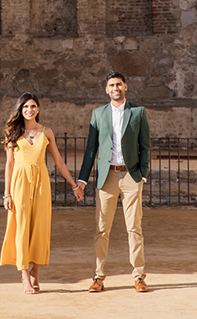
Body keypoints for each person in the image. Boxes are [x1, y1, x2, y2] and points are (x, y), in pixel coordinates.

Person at [0, 93, 83, 294]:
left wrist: (74, 184)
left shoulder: (46, 132)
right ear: (20, 109)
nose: (30, 109)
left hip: (41, 183)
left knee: (40, 226)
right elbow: (9, 164)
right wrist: (7, 194)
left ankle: (36, 269)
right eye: (26, 106)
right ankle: (24, 275)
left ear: (38, 109)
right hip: (20, 183)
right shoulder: (12, 131)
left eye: (33, 106)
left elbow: (59, 162)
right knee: (21, 227)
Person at [79, 71, 153, 292]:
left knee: (134, 228)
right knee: (102, 229)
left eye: (119, 84)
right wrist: (83, 178)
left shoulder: (138, 113)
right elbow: (91, 150)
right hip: (107, 177)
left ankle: (139, 277)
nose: (116, 88)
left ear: (126, 87)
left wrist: (143, 173)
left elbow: (145, 146)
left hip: (131, 176)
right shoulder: (98, 114)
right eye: (111, 85)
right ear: (106, 89)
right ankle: (98, 277)